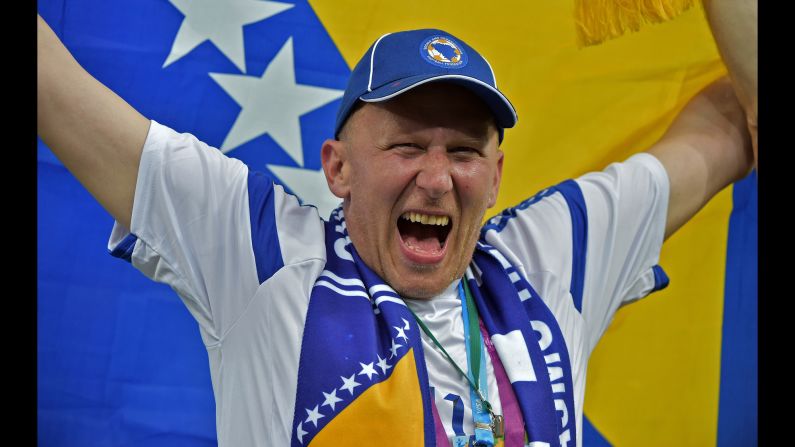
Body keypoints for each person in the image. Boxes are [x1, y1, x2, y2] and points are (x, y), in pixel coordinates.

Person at [37, 7, 755, 447]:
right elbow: (57, 91)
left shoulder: (548, 257)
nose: (437, 177)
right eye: (407, 145)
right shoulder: (257, 249)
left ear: (497, 175)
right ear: (338, 167)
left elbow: (731, 126)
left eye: (465, 150)